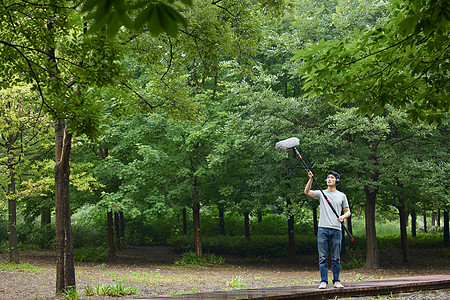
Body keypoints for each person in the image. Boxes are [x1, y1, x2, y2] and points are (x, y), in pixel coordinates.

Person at [304, 170, 351, 289]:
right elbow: (307, 192)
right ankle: (323, 281)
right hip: (322, 229)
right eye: (328, 178)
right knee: (322, 257)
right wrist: (310, 179)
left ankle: (336, 280)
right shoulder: (321, 193)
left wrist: (342, 217)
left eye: (332, 178)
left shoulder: (342, 195)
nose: (329, 179)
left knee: (336, 257)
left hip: (336, 230)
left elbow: (348, 212)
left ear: (336, 181)